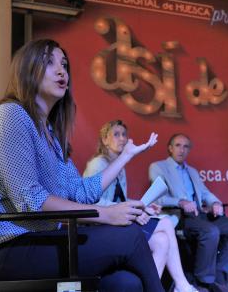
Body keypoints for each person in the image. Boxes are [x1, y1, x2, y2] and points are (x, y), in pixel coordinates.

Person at [0, 39, 164, 292]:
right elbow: (28, 198)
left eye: (64, 64)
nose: (61, 71)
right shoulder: (10, 115)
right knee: (130, 237)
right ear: (26, 69)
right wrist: (107, 215)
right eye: (49, 62)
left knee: (125, 283)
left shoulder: (50, 135)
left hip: (35, 242)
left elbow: (80, 192)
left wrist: (125, 157)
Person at [84, 120, 199, 292]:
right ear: (104, 139)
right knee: (166, 223)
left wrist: (143, 206)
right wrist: (133, 207)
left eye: (124, 134)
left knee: (162, 241)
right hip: (101, 225)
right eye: (116, 134)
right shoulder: (98, 164)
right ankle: (182, 285)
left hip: (118, 221)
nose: (122, 138)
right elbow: (90, 201)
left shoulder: (119, 166)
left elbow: (118, 200)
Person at [149, 133, 228, 292]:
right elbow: (158, 198)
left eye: (186, 146)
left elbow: (204, 193)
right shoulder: (158, 167)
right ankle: (203, 282)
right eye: (177, 145)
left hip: (199, 215)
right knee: (210, 231)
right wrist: (180, 202)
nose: (182, 150)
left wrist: (215, 202)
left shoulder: (192, 171)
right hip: (179, 217)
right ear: (170, 148)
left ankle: (220, 273)